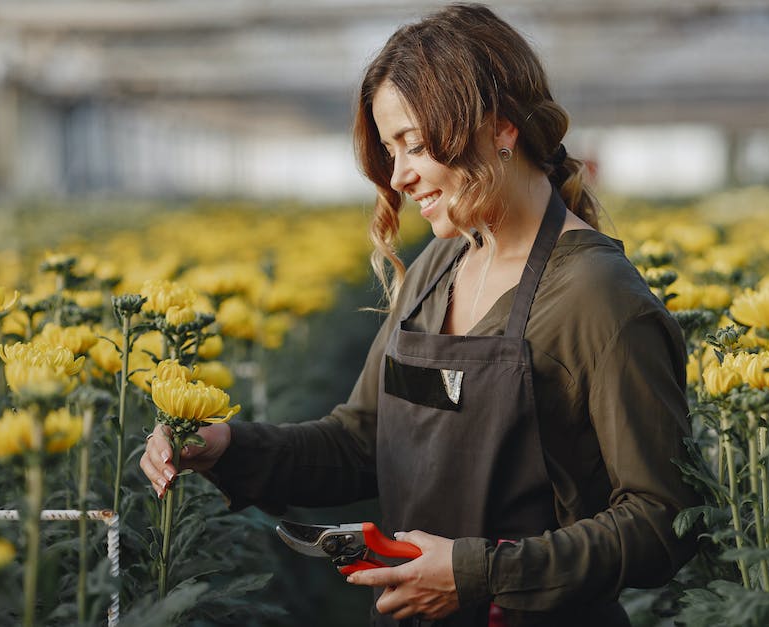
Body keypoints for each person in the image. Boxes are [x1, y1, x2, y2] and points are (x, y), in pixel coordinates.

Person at [140, 4, 700, 625]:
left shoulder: (597, 296)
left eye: (413, 143)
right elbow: (361, 442)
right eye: (389, 148)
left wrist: (477, 575)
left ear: (501, 127)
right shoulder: (440, 266)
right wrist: (225, 447)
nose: (400, 175)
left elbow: (661, 520)